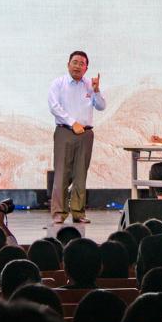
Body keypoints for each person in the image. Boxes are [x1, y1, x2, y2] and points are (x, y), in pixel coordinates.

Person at [48, 50, 106, 224]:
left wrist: (96, 90)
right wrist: (72, 122)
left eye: (82, 63)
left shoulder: (90, 84)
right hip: (65, 131)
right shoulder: (58, 83)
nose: (78, 66)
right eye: (75, 62)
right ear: (68, 64)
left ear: (86, 68)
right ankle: (59, 213)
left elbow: (101, 106)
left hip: (86, 134)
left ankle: (78, 213)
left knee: (81, 174)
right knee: (62, 173)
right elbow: (54, 106)